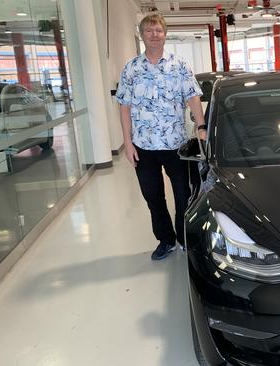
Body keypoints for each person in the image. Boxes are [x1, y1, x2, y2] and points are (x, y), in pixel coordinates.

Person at [116, 13, 206, 261]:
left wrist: (202, 127)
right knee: (153, 197)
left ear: (165, 34)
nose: (154, 35)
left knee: (183, 195)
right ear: (142, 35)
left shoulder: (180, 66)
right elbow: (124, 106)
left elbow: (193, 98)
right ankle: (166, 240)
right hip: (143, 147)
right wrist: (127, 143)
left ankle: (184, 236)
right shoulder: (132, 68)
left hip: (175, 145)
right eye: (149, 31)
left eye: (158, 30)